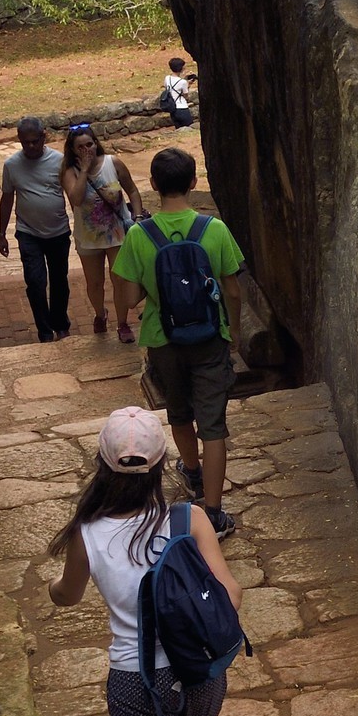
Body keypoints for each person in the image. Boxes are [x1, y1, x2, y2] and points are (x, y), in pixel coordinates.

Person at [47, 405, 241, 716]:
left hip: (136, 684)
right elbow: (231, 593)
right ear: (161, 466)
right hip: (199, 672)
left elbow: (65, 595)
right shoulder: (188, 518)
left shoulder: (86, 533)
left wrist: (52, 587)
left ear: (102, 465)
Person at [112, 149, 244, 538]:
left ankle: (193, 473)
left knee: (180, 411)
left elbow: (129, 297)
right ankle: (215, 513)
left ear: (152, 184)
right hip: (209, 336)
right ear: (193, 182)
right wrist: (233, 331)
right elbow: (232, 288)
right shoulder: (214, 229)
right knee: (214, 425)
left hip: (163, 338)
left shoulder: (139, 235)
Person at [61, 124, 144, 338]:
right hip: (88, 236)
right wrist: (85, 170)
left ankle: (123, 323)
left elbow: (132, 190)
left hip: (117, 233)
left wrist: (137, 216)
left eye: (90, 144)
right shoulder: (70, 172)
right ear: (72, 150)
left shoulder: (113, 163)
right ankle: (100, 313)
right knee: (94, 282)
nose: (87, 149)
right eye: (80, 147)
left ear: (96, 143)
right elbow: (76, 199)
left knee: (119, 279)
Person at [0, 115, 72, 342]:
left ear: (44, 137)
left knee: (59, 280)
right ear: (19, 139)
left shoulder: (58, 161)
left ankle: (60, 323)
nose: (30, 147)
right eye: (25, 142)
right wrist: (1, 234)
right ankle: (45, 331)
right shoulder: (11, 165)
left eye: (35, 141)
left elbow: (72, 193)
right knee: (35, 281)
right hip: (28, 233)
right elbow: (7, 198)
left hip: (58, 231)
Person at [159, 58, 194, 128]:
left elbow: (170, 88)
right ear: (181, 68)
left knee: (178, 129)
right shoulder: (183, 82)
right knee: (189, 128)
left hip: (173, 109)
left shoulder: (167, 78)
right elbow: (185, 95)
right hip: (182, 108)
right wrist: (188, 84)